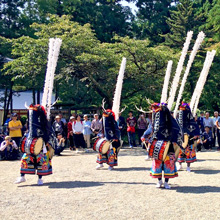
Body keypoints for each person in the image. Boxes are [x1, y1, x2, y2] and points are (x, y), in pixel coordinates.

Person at [15, 104, 54, 186]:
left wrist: (45, 141)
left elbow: (48, 134)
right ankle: (22, 176)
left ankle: (40, 178)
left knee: (41, 161)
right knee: (25, 159)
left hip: (41, 147)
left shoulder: (43, 124)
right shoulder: (30, 124)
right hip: (30, 145)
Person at [148, 103, 182, 189]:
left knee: (168, 163)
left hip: (169, 145)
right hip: (158, 145)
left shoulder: (172, 121)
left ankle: (166, 182)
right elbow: (153, 130)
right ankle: (159, 181)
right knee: (158, 163)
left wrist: (174, 140)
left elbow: (178, 130)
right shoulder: (157, 119)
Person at [177, 103, 200, 172]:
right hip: (181, 139)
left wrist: (195, 135)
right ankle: (180, 165)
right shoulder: (178, 121)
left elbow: (195, 128)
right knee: (180, 152)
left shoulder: (191, 121)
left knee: (189, 152)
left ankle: (188, 166)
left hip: (189, 139)